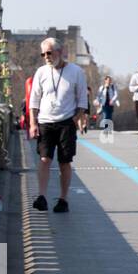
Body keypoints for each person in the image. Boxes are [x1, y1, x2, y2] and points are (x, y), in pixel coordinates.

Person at [27, 37, 89, 213]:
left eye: (49, 53)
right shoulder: (41, 72)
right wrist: (33, 123)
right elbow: (34, 100)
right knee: (45, 159)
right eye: (43, 54)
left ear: (59, 52)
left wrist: (76, 119)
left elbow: (82, 100)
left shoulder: (76, 72)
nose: (46, 56)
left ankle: (63, 199)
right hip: (46, 122)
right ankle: (42, 196)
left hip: (66, 122)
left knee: (64, 162)